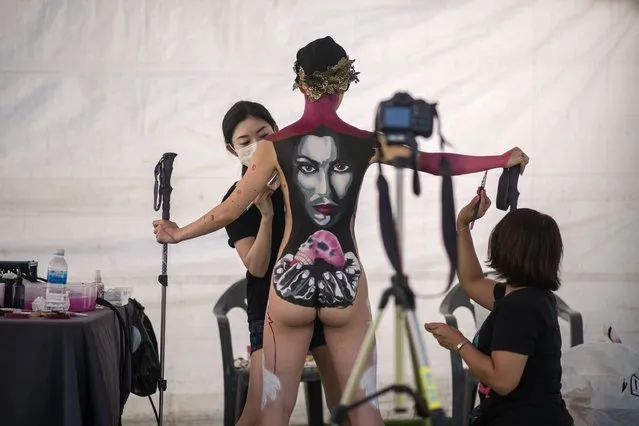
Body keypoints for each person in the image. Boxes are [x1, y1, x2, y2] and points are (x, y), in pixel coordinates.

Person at [153, 36, 530, 426]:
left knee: (273, 410)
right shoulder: (365, 143)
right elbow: (434, 162)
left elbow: (230, 208)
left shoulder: (274, 147)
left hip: (288, 286)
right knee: (363, 410)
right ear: (345, 83)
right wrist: (501, 158)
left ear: (300, 85)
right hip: (345, 283)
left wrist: (178, 233)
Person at [219, 100, 347, 426]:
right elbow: (257, 267)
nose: (257, 146)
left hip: (321, 303)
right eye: (245, 142)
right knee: (264, 412)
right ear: (232, 150)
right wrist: (266, 216)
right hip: (270, 311)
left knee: (346, 404)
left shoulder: (304, 179)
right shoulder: (236, 200)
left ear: (278, 132)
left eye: (264, 134)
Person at [424, 190, 574, 426]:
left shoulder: (520, 308)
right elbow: (472, 282)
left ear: (508, 249)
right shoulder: (529, 296)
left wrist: (458, 343)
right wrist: (463, 224)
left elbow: (503, 381)